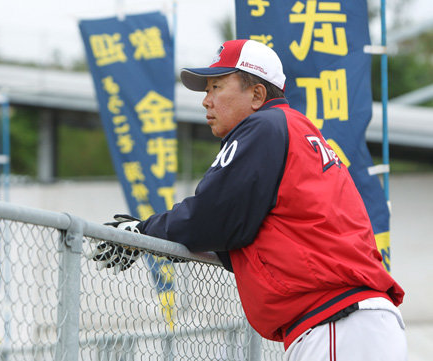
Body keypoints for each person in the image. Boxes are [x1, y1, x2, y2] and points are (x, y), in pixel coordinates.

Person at [95, 39, 407, 361]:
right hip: (353, 319)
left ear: (257, 95)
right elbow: (242, 228)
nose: (206, 100)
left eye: (216, 86)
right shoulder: (295, 128)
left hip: (336, 322)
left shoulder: (263, 126)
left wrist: (144, 232)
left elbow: (211, 216)